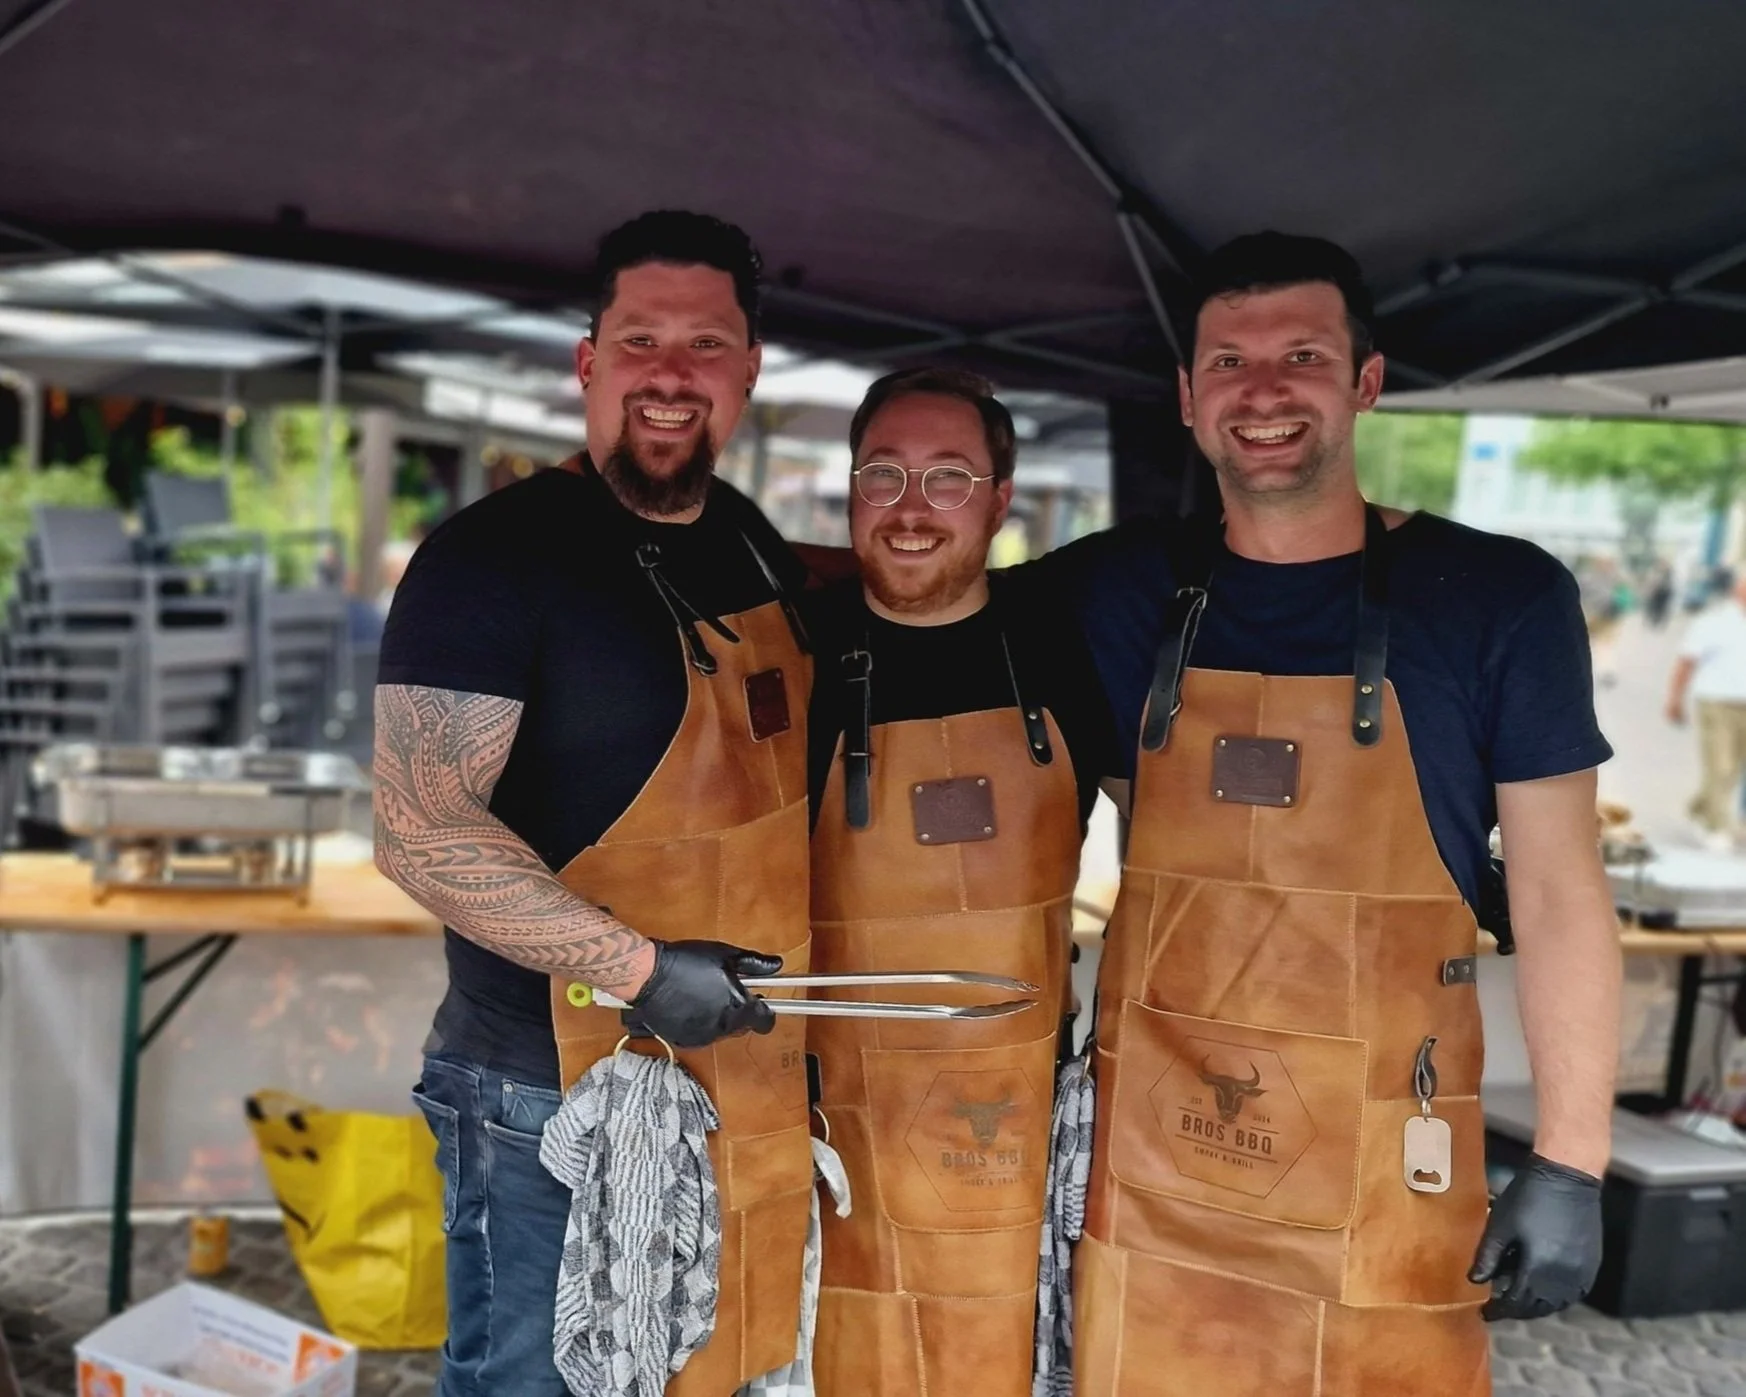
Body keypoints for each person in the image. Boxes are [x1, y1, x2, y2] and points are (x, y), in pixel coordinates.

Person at [1049, 233, 1621, 1395]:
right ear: (1188, 397)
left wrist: (1572, 1159)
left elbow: (1562, 889)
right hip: (1157, 1172)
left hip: (1382, 1164)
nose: (1262, 392)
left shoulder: (1499, 595)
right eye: (1229, 363)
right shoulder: (1112, 589)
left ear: (1365, 380)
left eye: (1301, 355)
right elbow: (903, 587)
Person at [373, 210, 814, 1397]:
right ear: (588, 361)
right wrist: (640, 967)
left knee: (718, 1372)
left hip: (738, 1074)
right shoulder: (492, 557)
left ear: (750, 369)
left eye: (707, 345)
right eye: (641, 341)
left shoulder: (756, 545)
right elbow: (417, 826)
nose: (672, 375)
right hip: (538, 1090)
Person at [801, 369, 1117, 1396]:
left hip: (1012, 1112)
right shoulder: (790, 648)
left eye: (948, 477)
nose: (910, 506)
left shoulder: (1072, 641)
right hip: (825, 1117)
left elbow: (1166, 835)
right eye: (883, 473)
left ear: (1001, 495)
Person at [1667, 568, 1746, 849]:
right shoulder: (1715, 622)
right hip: (1717, 702)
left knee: (1733, 769)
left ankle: (1700, 809)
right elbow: (1686, 662)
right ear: (1739, 588)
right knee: (1720, 765)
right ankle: (1717, 826)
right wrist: (1674, 700)